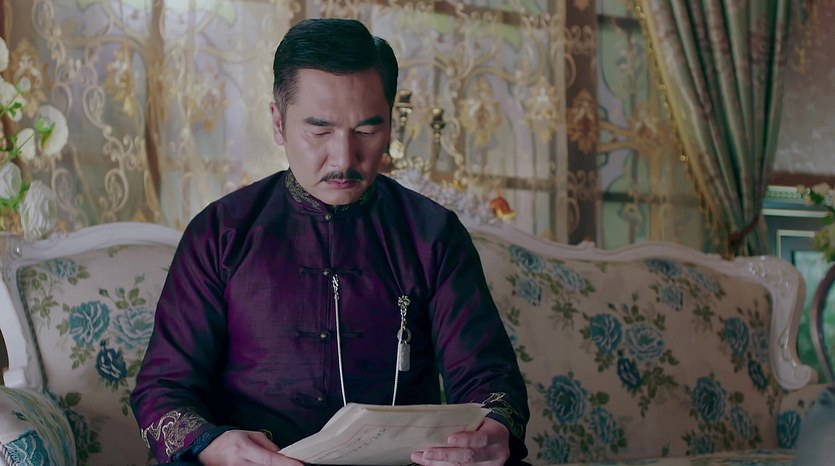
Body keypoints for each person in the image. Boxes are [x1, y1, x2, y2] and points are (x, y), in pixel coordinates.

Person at [130, 17, 529, 466]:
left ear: (391, 122)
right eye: (319, 130)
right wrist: (215, 445)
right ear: (278, 123)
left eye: (366, 131)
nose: (344, 157)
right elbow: (162, 390)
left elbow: (489, 381)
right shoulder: (219, 233)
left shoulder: (433, 234)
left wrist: (493, 431)